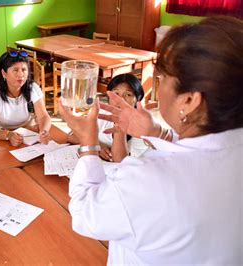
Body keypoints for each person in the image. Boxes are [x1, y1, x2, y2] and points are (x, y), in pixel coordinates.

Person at [60, 16, 242, 264]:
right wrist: (157, 132)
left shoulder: (150, 181)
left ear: (188, 100)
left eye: (164, 78)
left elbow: (85, 214)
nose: (159, 84)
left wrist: (88, 140)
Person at [68, 73, 148, 162]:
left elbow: (121, 161)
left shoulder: (143, 127)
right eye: (116, 93)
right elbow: (73, 136)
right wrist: (96, 145)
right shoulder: (102, 113)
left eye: (128, 95)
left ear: (138, 99)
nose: (121, 99)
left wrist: (120, 122)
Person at [0, 51, 52, 146]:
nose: (21, 75)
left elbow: (44, 116)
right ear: (4, 73)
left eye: (24, 70)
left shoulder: (32, 88)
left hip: (28, 136)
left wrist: (44, 131)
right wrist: (8, 135)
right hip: (2, 138)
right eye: (15, 70)